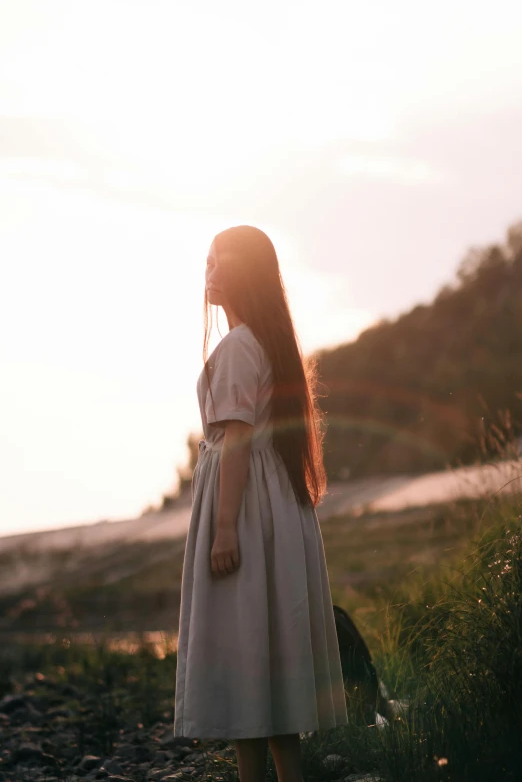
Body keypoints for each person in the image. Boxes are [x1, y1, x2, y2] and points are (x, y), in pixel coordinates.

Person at [174, 226, 348, 782]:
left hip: (247, 509)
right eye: (205, 262)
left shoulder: (237, 348)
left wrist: (225, 529)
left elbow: (237, 443)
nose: (208, 272)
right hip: (277, 506)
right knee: (271, 647)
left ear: (245, 272)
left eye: (218, 262)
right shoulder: (268, 345)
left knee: (247, 643)